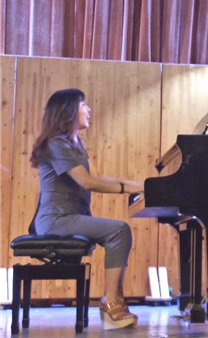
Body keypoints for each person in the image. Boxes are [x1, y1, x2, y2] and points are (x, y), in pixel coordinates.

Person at [29, 89, 144, 330]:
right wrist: (127, 189)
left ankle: (114, 299)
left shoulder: (76, 143)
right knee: (119, 230)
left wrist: (140, 185)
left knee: (119, 231)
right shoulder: (56, 144)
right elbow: (87, 182)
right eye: (83, 104)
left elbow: (98, 176)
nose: (89, 109)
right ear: (68, 111)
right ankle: (110, 301)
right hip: (56, 219)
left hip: (70, 216)